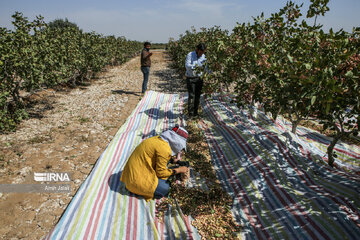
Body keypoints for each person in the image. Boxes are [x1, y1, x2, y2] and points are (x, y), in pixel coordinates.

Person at [120, 125, 189, 201]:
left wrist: (174, 161)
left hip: (130, 176)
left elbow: (160, 157)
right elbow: (161, 173)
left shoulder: (158, 140)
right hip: (135, 182)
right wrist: (179, 170)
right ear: (176, 141)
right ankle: (144, 190)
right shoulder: (164, 149)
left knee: (166, 162)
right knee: (165, 188)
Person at [185, 43, 207, 117]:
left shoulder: (204, 57)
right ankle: (190, 114)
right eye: (200, 52)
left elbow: (206, 68)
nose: (201, 54)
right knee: (191, 96)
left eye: (203, 52)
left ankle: (195, 113)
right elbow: (187, 65)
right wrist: (197, 67)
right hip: (191, 78)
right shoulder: (190, 55)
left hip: (199, 79)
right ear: (197, 50)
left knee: (197, 96)